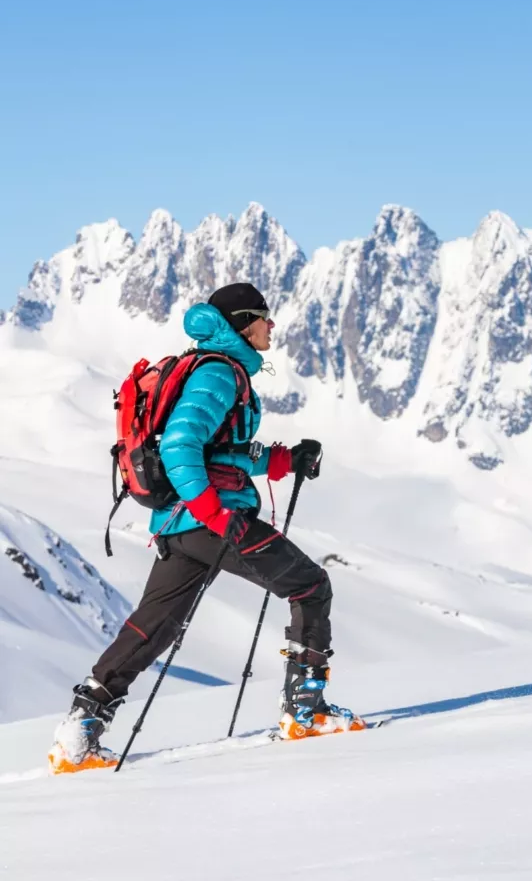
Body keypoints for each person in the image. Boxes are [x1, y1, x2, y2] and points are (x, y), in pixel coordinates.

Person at [48, 282, 363, 774]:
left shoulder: (214, 369)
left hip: (177, 525)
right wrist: (217, 513)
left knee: (153, 625)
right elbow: (179, 448)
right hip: (210, 520)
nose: (271, 324)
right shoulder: (219, 373)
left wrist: (281, 459)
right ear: (241, 323)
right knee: (310, 585)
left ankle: (82, 727)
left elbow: (218, 451)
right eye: (263, 316)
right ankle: (307, 709)